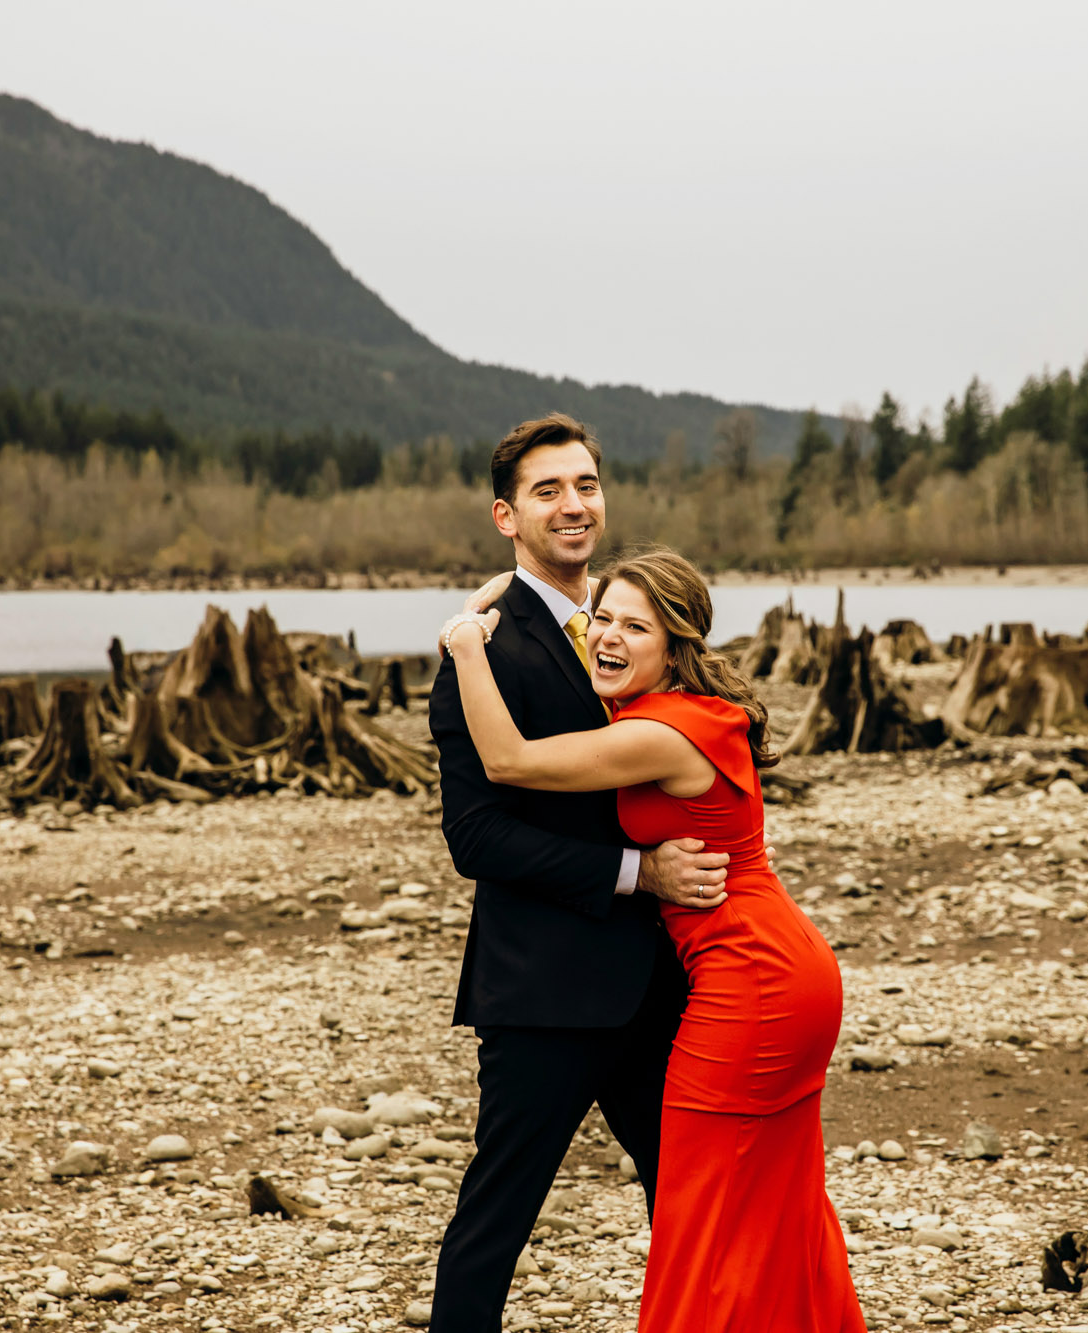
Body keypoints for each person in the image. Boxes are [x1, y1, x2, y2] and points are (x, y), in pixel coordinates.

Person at [441, 544, 867, 1332]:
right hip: (773, 963)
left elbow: (509, 760)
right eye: (602, 617)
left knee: (701, 1205)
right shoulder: (665, 713)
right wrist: (511, 598)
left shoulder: (667, 731)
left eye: (637, 625)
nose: (611, 634)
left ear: (675, 646)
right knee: (773, 1199)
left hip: (752, 979)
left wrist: (467, 638)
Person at [426, 415, 734, 1333]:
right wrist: (637, 872)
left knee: (693, 1205)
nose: (574, 504)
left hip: (659, 986)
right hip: (542, 990)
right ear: (506, 515)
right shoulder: (476, 656)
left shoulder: (634, 629)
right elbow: (475, 839)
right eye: (548, 490)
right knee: (494, 1222)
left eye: (587, 484)